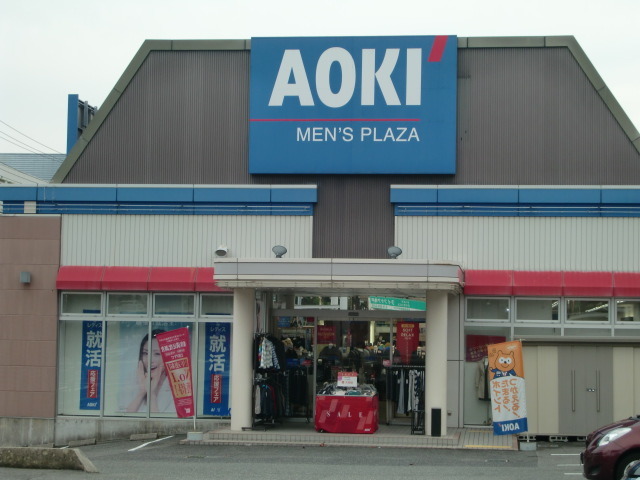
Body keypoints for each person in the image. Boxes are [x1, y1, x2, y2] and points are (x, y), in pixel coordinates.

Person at [126, 329, 173, 413]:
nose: (149, 360)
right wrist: (142, 391)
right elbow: (123, 416)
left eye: (157, 354)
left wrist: (152, 394)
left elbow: (160, 421)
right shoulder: (132, 380)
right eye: (145, 353)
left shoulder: (176, 386)